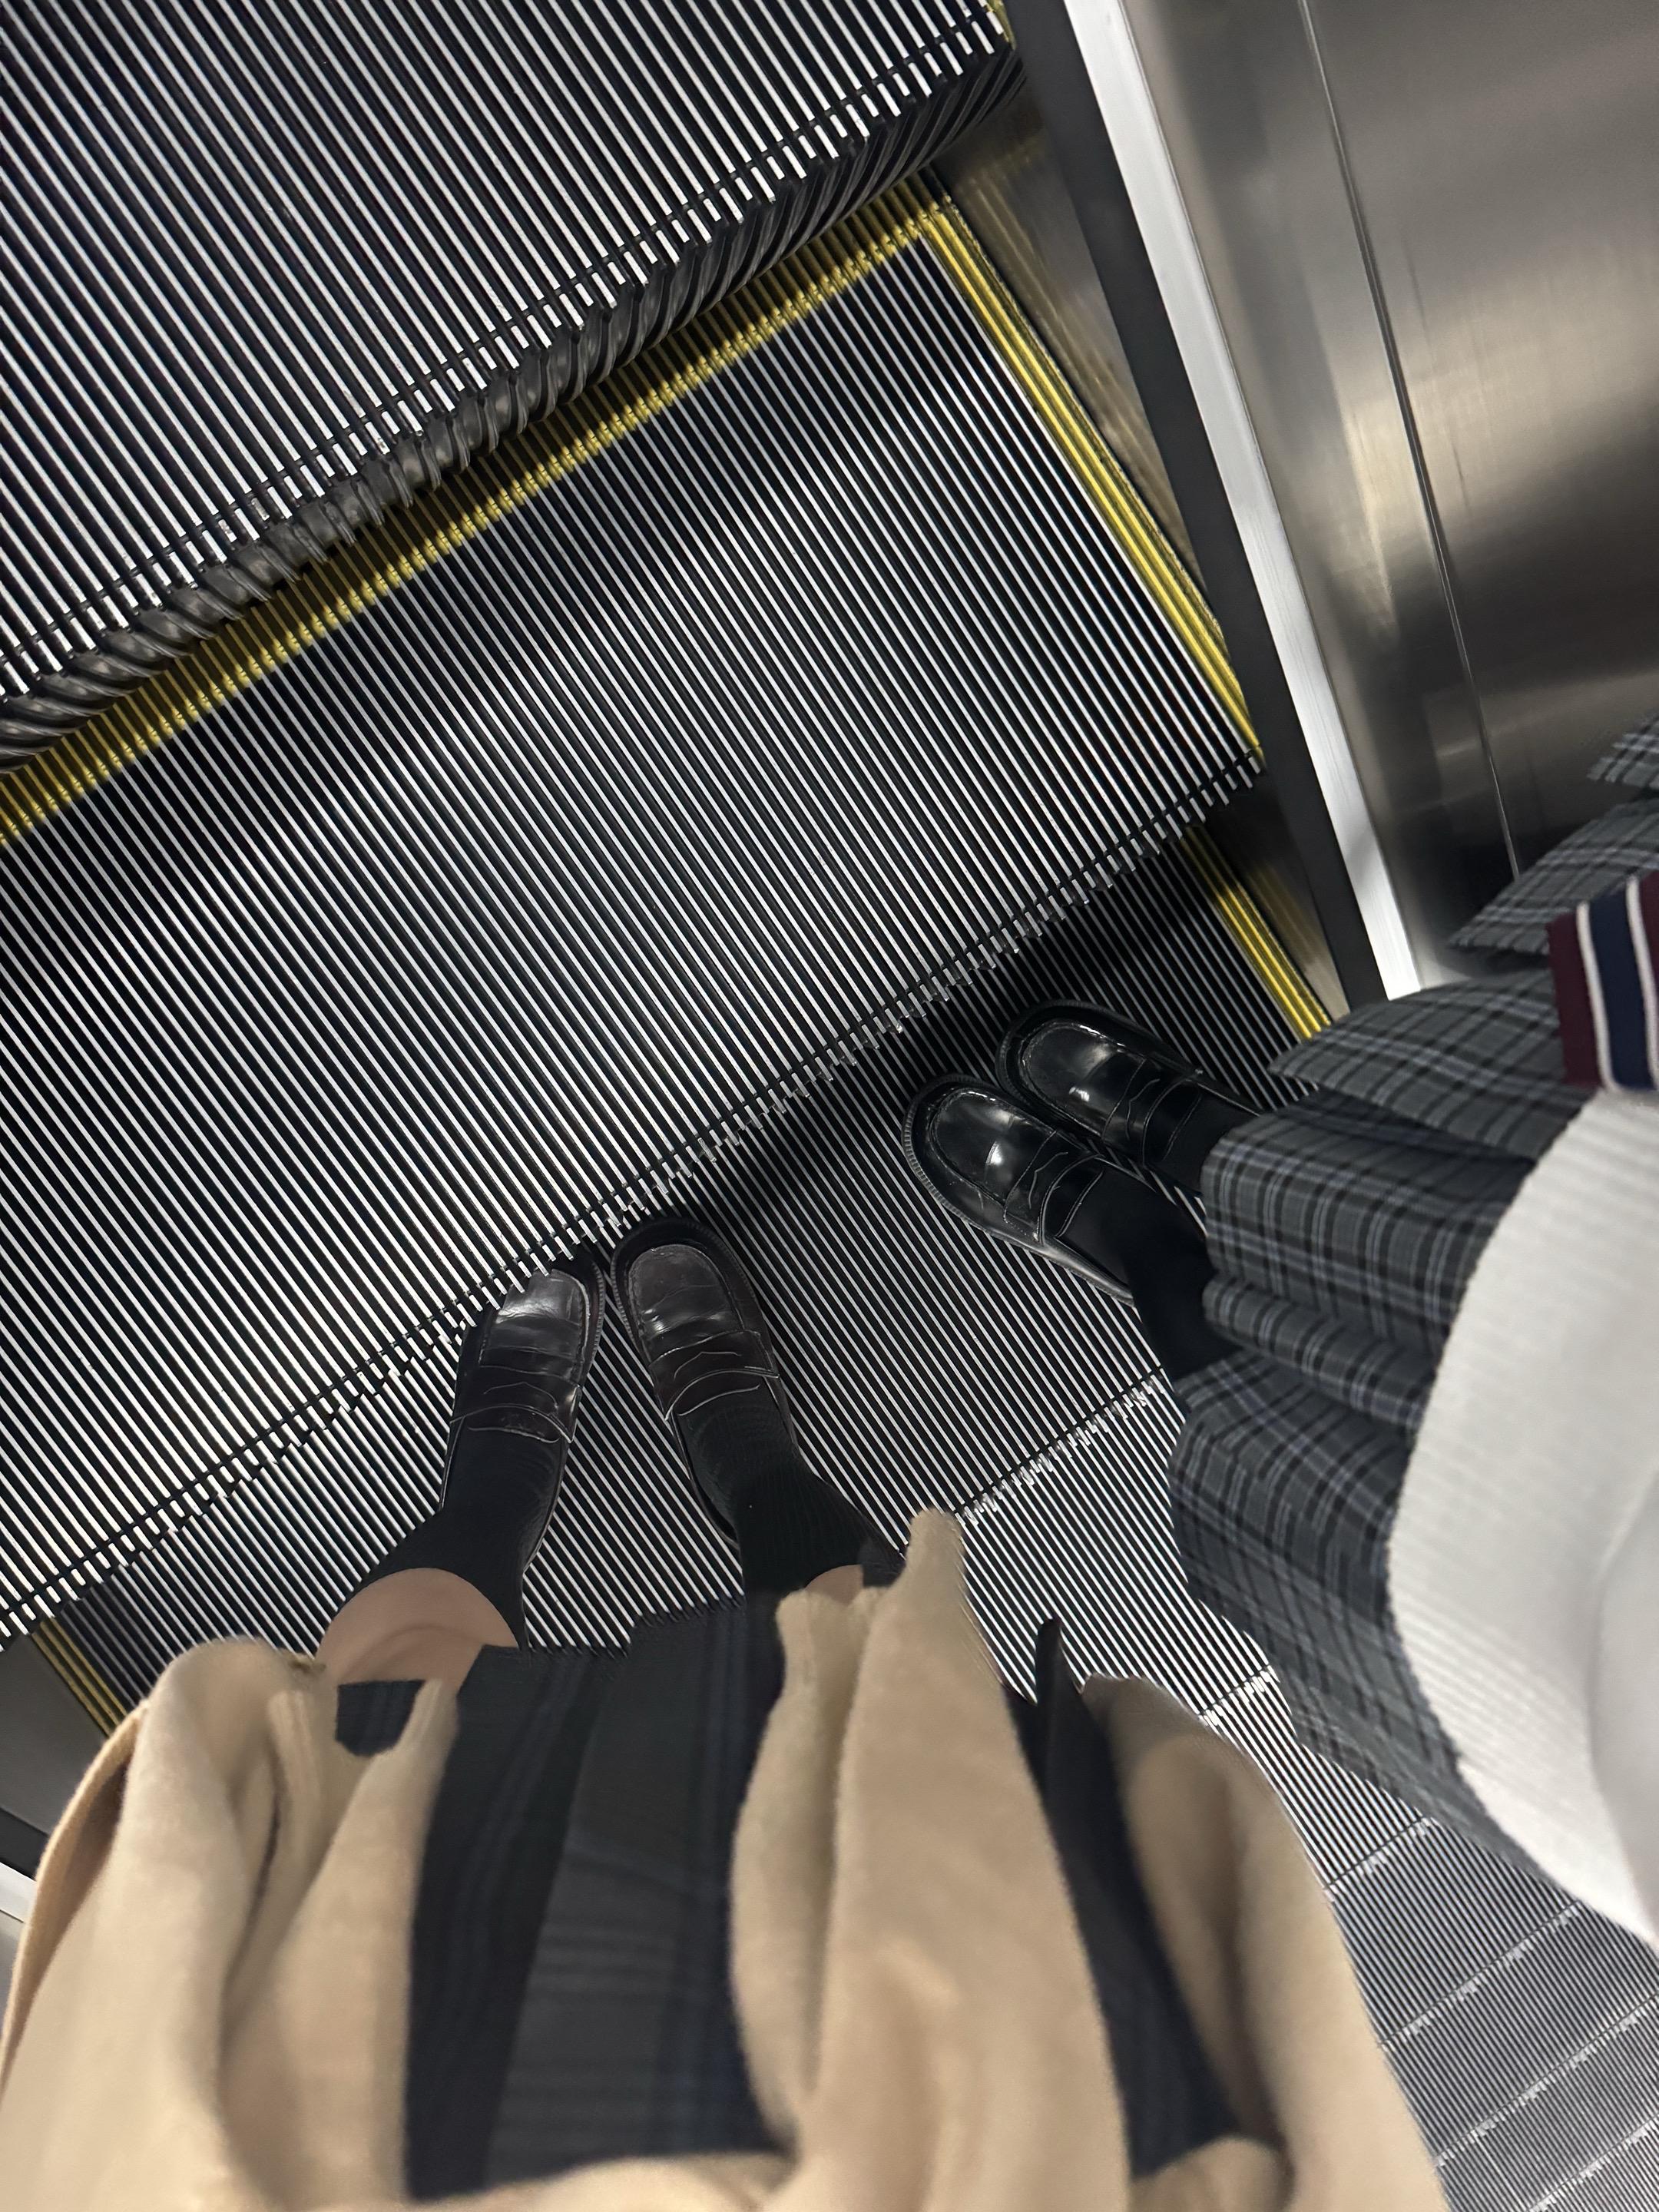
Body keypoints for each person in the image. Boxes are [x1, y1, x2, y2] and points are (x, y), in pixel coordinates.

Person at [0, 1224, 1444, 2207]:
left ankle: (504, 1460)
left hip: (352, 2151)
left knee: (389, 1714)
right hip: (1002, 2119)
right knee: (853, 1656)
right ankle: (735, 1440)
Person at [907, 713, 1659, 1944]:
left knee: (1356, 1470)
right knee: (1477, 1215)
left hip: (1598, 1673)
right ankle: (1203, 1143)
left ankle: (1145, 1243)